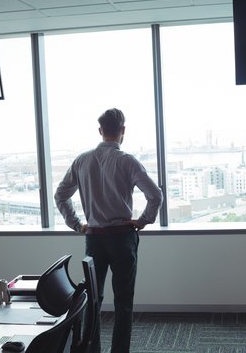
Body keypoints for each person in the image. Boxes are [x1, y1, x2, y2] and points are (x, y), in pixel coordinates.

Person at [54, 108, 163, 353]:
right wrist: (142, 221)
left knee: (93, 300)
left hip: (94, 238)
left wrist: (76, 224)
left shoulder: (82, 160)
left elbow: (60, 195)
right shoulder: (127, 160)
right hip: (122, 238)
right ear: (122, 131)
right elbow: (155, 195)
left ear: (100, 131)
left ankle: (92, 350)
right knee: (123, 302)